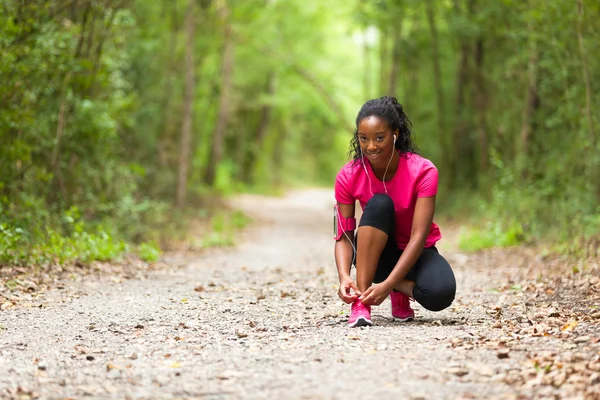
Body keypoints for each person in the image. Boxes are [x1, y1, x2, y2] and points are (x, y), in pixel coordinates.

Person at [333, 96, 456, 327]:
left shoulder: (423, 171)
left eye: (379, 137)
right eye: (363, 138)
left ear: (395, 134)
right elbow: (344, 235)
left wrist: (390, 284)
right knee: (379, 203)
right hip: (376, 255)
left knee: (441, 293)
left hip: (415, 251)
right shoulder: (348, 176)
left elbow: (419, 236)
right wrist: (344, 277)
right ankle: (361, 304)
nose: (371, 146)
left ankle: (398, 288)